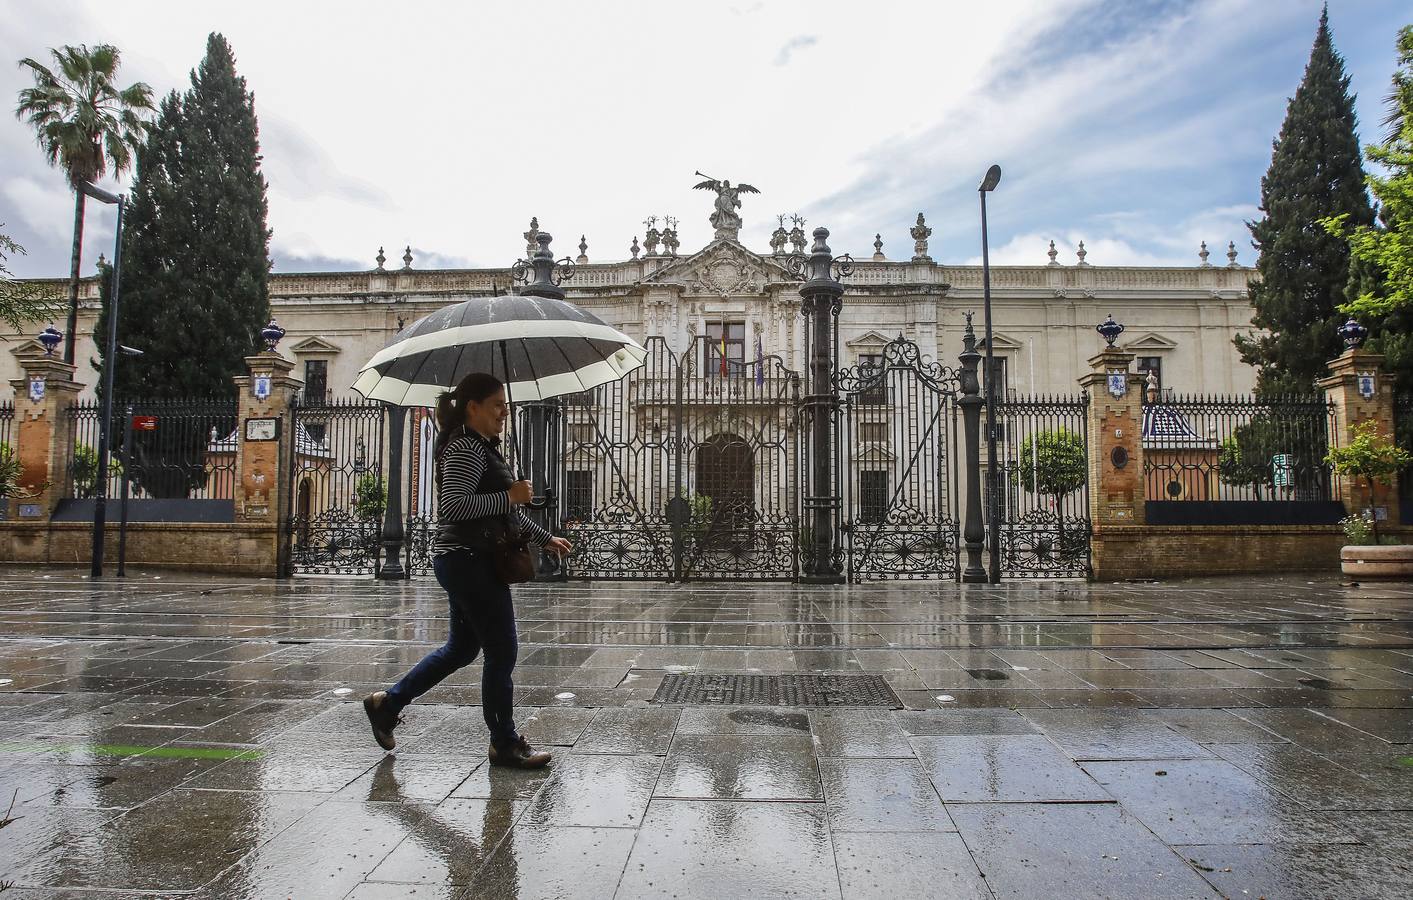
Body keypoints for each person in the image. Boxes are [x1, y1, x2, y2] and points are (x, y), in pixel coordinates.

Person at [363, 373, 572, 768]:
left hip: (469, 559)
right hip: (468, 560)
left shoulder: (482, 447)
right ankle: (504, 742)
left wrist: (545, 538)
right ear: (472, 407)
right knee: (502, 649)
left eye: (505, 406)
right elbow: (454, 507)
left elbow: (504, 515)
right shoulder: (465, 448)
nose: (504, 413)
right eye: (496, 405)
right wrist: (509, 493)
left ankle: (387, 704)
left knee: (462, 648)